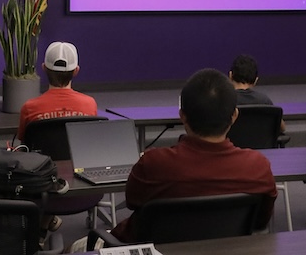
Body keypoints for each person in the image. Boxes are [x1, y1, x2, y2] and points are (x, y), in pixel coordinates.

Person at [106, 68, 277, 245]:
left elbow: (133, 201)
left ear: (182, 116)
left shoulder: (152, 164)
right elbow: (260, 221)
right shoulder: (258, 167)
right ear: (234, 116)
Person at [16, 41, 98, 140]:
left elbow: (23, 141)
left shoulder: (29, 108)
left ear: (44, 68)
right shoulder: (90, 104)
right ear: (76, 71)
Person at [228, 54, 286, 133]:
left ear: (230, 76)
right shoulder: (265, 102)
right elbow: (282, 128)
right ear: (256, 80)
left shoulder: (223, 101)